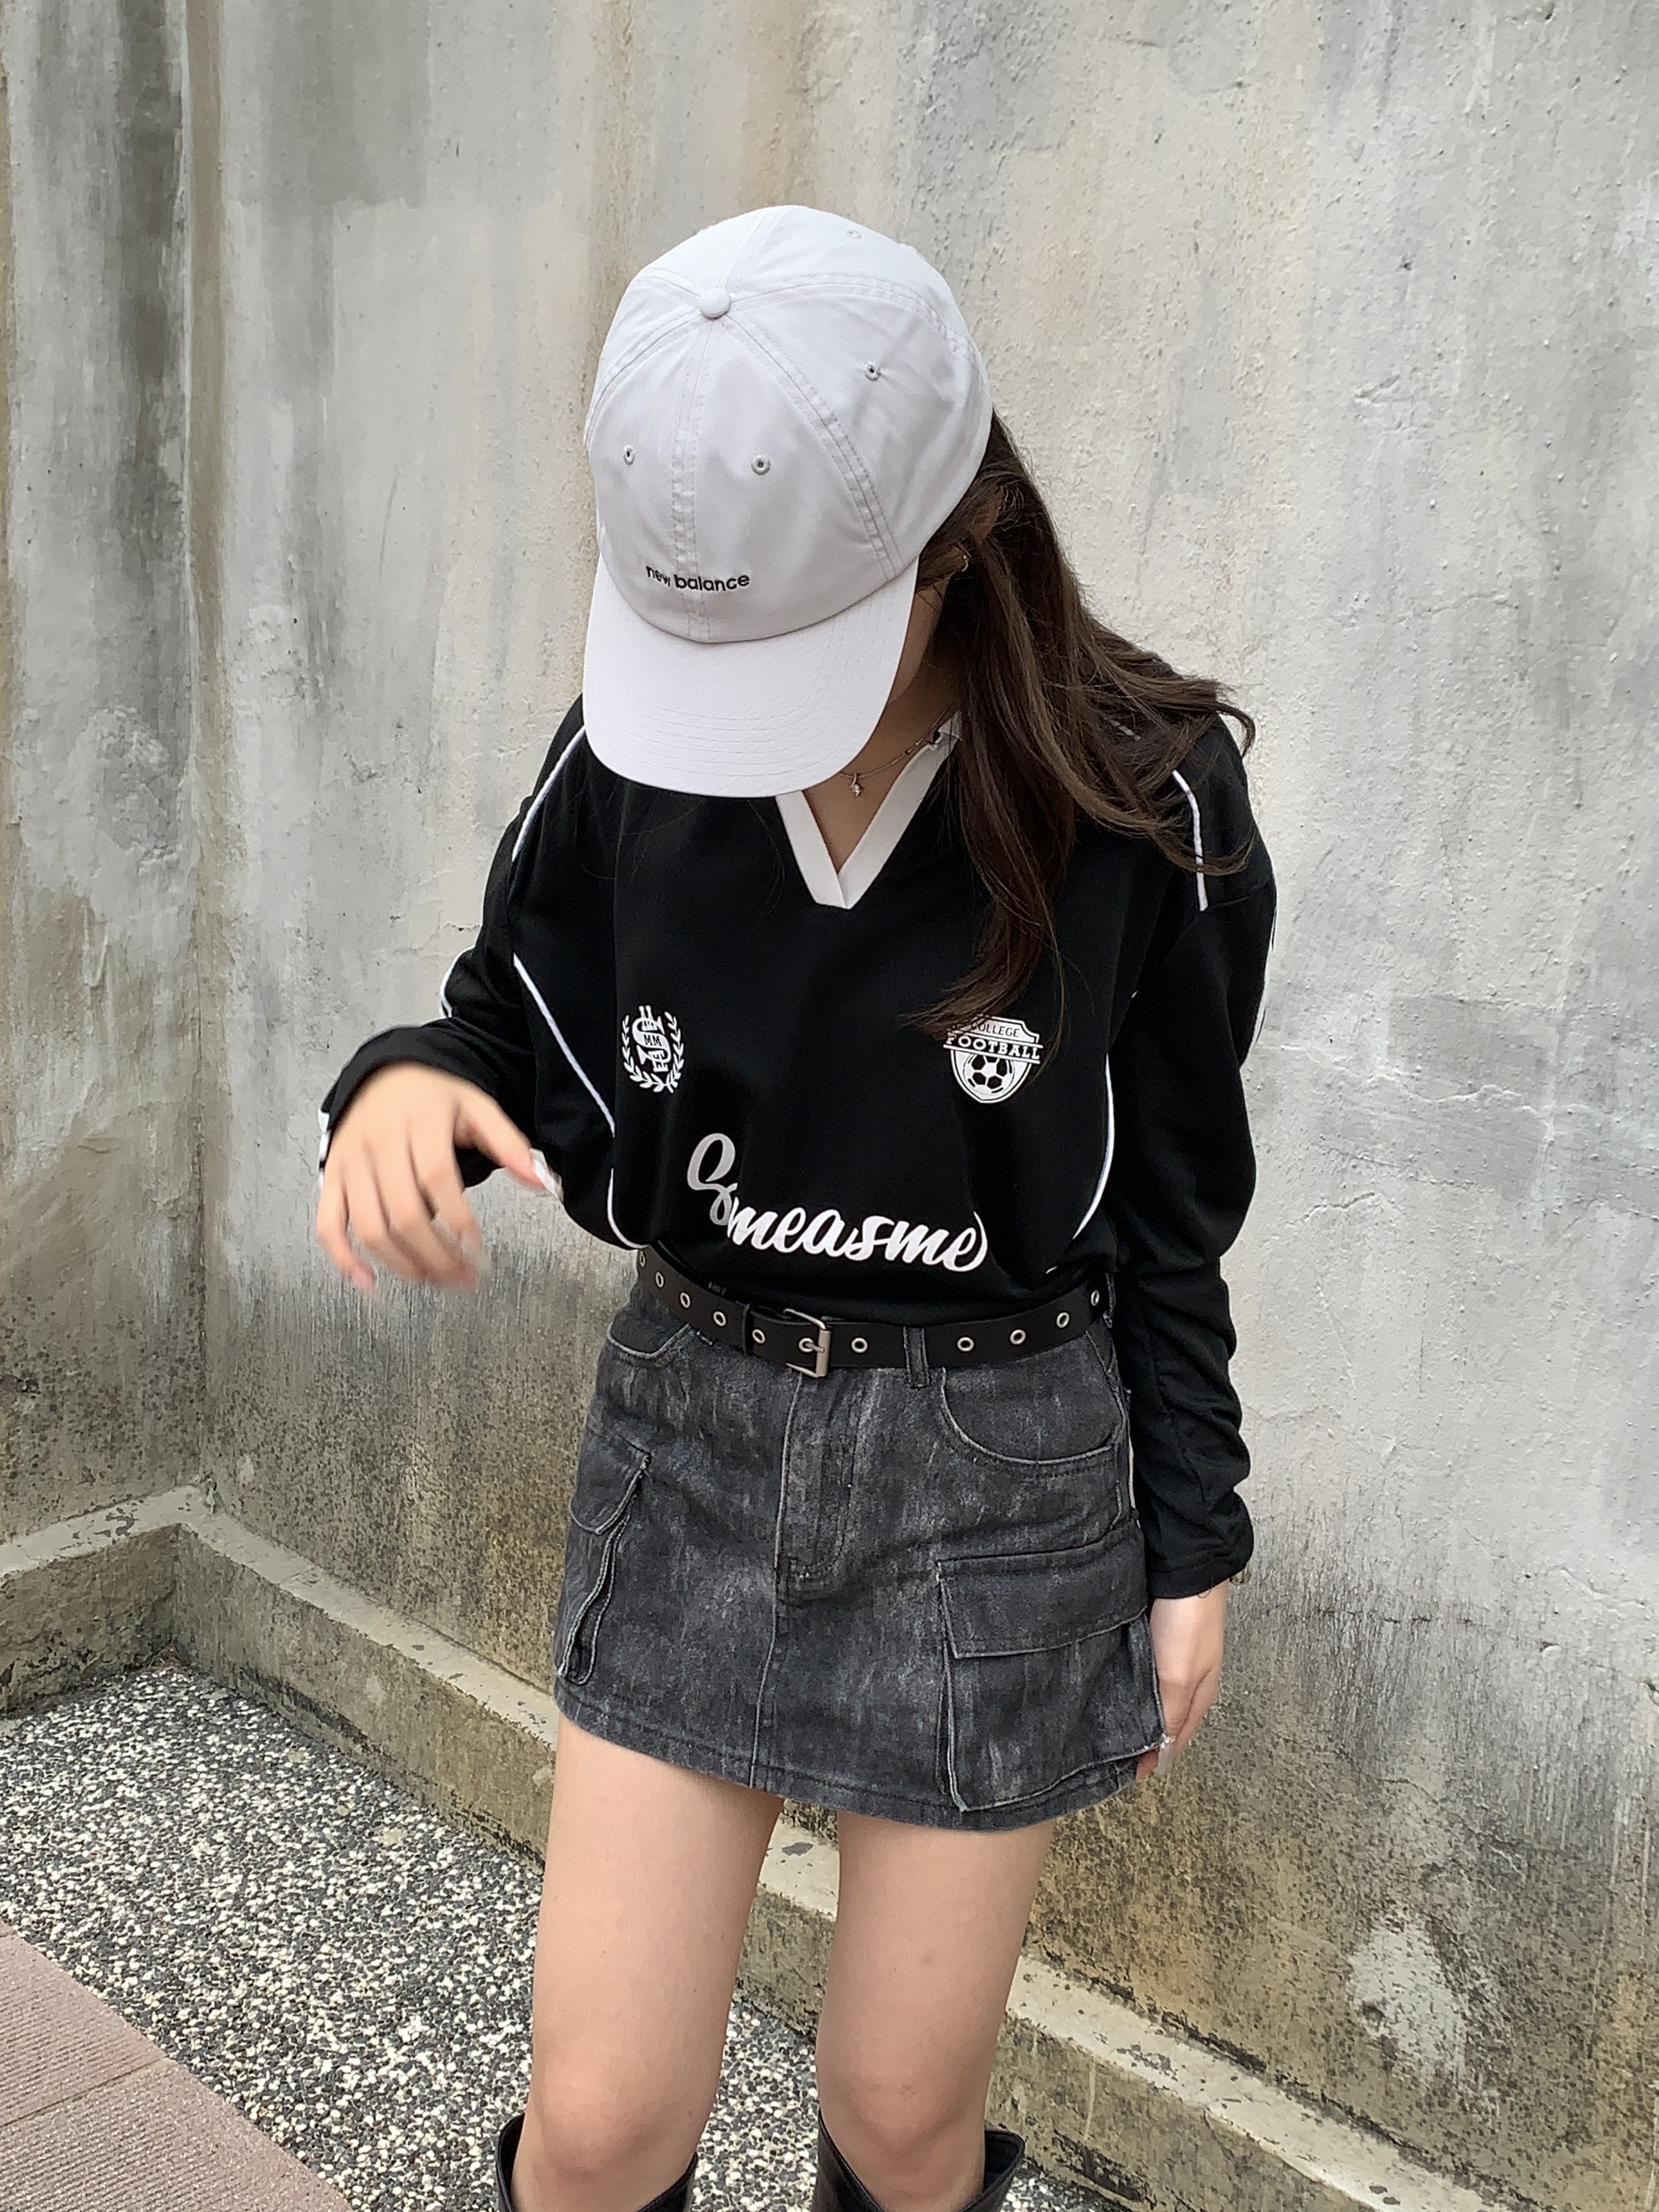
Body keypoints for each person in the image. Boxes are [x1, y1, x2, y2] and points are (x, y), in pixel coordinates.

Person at [315, 206, 1274, 2212]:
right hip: (700, 1435)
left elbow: (1174, 1206)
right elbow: (510, 1013)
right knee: (598, 2120)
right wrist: (404, 1084)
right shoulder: (634, 744)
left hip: (1001, 1478)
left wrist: (1196, 1533)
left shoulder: (1149, 802)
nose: (730, 697)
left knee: (900, 2113)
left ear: (958, 542)